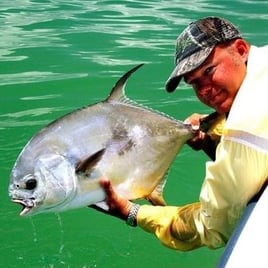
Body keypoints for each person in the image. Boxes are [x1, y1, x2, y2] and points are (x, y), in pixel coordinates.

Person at [92, 16, 268, 251]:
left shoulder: (244, 128)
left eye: (209, 70)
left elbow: (213, 227)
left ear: (240, 49)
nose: (204, 89)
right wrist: (209, 137)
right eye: (194, 83)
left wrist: (132, 212)